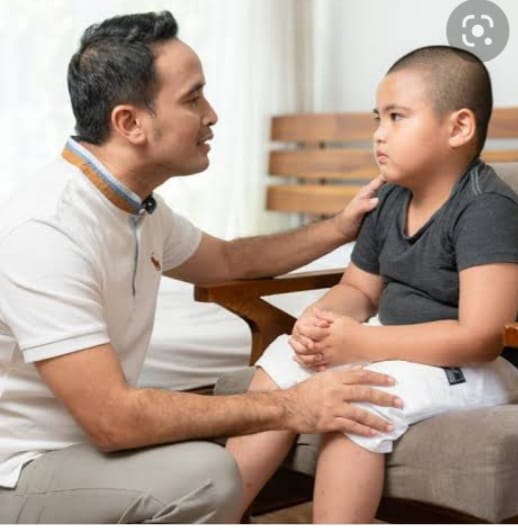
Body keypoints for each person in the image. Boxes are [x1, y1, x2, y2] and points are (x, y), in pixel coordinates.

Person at [0, 11, 403, 524]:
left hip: (82, 452)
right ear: (130, 123)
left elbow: (230, 260)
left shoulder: (137, 208)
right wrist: (293, 406)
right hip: (21, 470)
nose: (211, 115)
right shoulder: (47, 229)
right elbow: (113, 419)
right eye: (193, 99)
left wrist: (340, 228)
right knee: (207, 475)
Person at [226, 45, 518, 523]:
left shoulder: (485, 208)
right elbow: (359, 290)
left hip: (472, 367)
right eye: (377, 119)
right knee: (283, 359)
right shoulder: (390, 197)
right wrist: (321, 321)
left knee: (354, 399)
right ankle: (220, 513)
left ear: (458, 127)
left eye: (397, 117)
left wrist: (362, 342)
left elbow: (482, 337)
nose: (379, 134)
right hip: (395, 347)